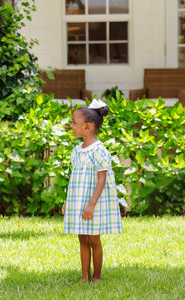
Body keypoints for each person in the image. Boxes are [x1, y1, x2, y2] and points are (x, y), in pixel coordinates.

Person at [62, 99, 122, 284]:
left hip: (93, 203)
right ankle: (84, 276)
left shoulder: (99, 150)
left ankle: (96, 276)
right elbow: (74, 180)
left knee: (94, 239)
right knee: (82, 238)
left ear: (87, 126)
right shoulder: (76, 151)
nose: (71, 126)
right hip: (79, 201)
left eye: (74, 123)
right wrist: (68, 201)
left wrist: (91, 204)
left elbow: (101, 179)